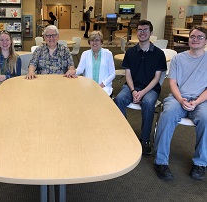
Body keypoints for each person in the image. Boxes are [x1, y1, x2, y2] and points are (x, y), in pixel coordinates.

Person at [154, 26, 207, 181]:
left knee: (205, 118)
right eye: (192, 36)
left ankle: (200, 163)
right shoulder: (179, 58)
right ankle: (161, 161)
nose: (195, 39)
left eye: (200, 37)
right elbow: (173, 83)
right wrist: (181, 99)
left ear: (205, 41)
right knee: (167, 115)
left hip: (201, 100)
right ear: (188, 38)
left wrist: (196, 101)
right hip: (178, 98)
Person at [114, 20, 167, 155]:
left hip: (150, 89)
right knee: (119, 99)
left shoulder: (159, 54)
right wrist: (133, 91)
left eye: (145, 30)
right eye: (140, 30)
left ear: (151, 33)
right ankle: (124, 133)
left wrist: (142, 92)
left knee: (149, 102)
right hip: (132, 86)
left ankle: (145, 139)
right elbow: (128, 75)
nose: (142, 33)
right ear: (136, 32)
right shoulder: (131, 52)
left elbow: (157, 78)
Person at [65, 31, 115, 96]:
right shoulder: (85, 54)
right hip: (88, 87)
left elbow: (112, 74)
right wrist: (72, 72)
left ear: (101, 41)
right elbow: (80, 69)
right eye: (92, 40)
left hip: (104, 87)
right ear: (89, 42)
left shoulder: (108, 54)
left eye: (97, 40)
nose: (94, 43)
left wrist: (103, 84)